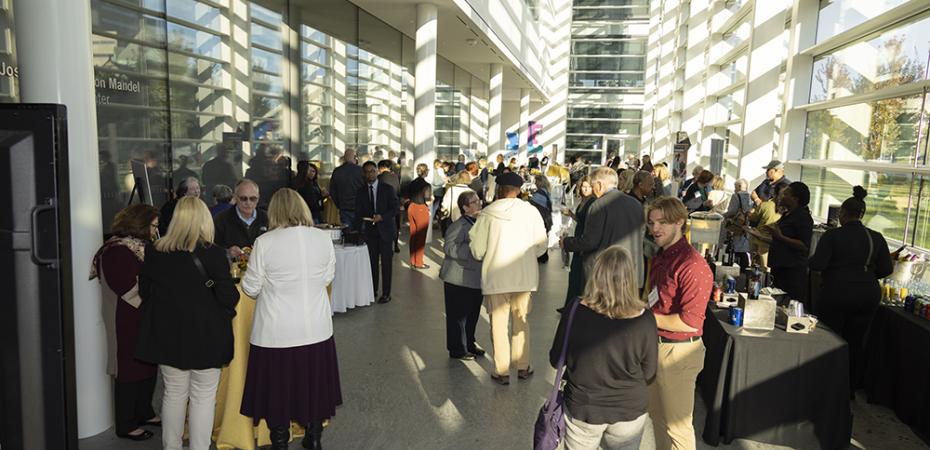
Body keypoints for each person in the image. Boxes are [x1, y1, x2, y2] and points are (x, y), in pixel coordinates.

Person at [240, 189, 341, 450]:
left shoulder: (265, 242)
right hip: (315, 327)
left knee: (277, 389)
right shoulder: (322, 238)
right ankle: (314, 437)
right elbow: (328, 277)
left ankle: (280, 441)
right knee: (314, 385)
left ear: (274, 211)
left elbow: (250, 288)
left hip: (276, 330)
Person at [135, 197, 239, 450]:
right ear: (205, 220)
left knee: (173, 394)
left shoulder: (154, 250)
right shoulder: (214, 254)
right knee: (203, 398)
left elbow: (145, 292)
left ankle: (171, 446)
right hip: (206, 335)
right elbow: (229, 297)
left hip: (167, 335)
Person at [549, 245, 658, 450]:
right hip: (629, 410)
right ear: (631, 278)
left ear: (595, 274)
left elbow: (556, 359)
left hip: (584, 407)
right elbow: (650, 373)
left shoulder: (575, 309)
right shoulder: (645, 319)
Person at [645, 196, 713, 450]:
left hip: (679, 353)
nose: (655, 229)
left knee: (678, 428)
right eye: (652, 223)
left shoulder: (693, 265)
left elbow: (691, 323)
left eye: (662, 222)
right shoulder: (662, 257)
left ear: (680, 223)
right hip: (656, 347)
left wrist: (646, 318)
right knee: (657, 418)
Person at [809, 186, 893, 392]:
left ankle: (827, 386)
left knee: (830, 339)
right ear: (862, 214)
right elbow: (886, 268)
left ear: (843, 213)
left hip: (837, 292)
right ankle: (849, 388)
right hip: (868, 295)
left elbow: (818, 264)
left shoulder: (833, 236)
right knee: (856, 341)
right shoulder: (876, 237)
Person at [90, 204, 161, 441]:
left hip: (143, 316)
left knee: (148, 365)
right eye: (153, 226)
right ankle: (126, 423)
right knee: (129, 370)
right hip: (125, 319)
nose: (155, 230)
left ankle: (144, 411)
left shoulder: (138, 246)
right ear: (139, 224)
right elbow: (130, 290)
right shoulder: (116, 251)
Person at [469, 172, 548, 385]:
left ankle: (501, 371)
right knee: (521, 322)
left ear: (500, 189)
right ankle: (522, 366)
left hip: (496, 278)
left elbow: (477, 251)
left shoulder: (487, 214)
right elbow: (541, 247)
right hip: (524, 279)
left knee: (498, 324)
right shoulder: (531, 212)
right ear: (519, 190)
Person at [561, 167, 645, 292]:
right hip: (631, 271)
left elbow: (590, 241)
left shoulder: (599, 205)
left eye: (593, 185)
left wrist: (566, 242)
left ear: (599, 185)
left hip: (605, 274)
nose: (593, 191)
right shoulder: (636, 204)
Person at [440, 191, 486, 360]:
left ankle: (470, 343)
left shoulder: (480, 222)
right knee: (458, 317)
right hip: (458, 278)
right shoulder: (458, 225)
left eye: (478, 200)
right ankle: (457, 349)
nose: (479, 203)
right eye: (474, 202)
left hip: (475, 279)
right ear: (465, 207)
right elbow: (448, 247)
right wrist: (472, 250)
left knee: (472, 315)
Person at [354, 161, 400, 304]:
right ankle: (372, 290)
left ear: (377, 172)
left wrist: (382, 217)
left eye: (372, 171)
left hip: (386, 231)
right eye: (367, 172)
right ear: (364, 174)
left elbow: (395, 208)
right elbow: (358, 212)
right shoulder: (361, 191)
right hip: (370, 232)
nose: (370, 174)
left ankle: (386, 293)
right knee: (372, 264)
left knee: (386, 264)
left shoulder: (387, 189)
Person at [765, 182, 814, 308]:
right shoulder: (787, 215)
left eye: (786, 194)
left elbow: (804, 245)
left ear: (795, 199)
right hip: (780, 268)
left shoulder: (803, 218)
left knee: (788, 307)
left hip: (792, 272)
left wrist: (781, 237)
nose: (781, 196)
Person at [562, 177, 596, 309]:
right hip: (579, 235)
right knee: (574, 273)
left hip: (583, 239)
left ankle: (574, 304)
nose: (585, 189)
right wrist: (570, 214)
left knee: (578, 273)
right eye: (583, 187)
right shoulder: (584, 201)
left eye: (588, 187)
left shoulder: (592, 202)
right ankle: (570, 303)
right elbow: (580, 220)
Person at [214, 179, 269, 257]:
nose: (248, 203)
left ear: (258, 198)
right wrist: (227, 252)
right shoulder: (220, 220)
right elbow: (213, 250)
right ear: (235, 197)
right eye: (243, 198)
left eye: (253, 199)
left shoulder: (267, 219)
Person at [746, 182, 786, 269]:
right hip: (772, 244)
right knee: (766, 270)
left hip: (760, 241)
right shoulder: (786, 211)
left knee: (756, 269)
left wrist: (749, 213)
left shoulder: (765, 205)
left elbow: (753, 218)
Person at [329, 148, 365, 226]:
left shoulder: (337, 171)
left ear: (344, 158)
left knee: (346, 232)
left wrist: (339, 204)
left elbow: (332, 191)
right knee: (360, 232)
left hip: (344, 207)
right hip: (359, 207)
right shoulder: (361, 171)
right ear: (355, 157)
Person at [406, 163, 432, 269]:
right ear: (425, 172)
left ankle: (412, 260)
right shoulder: (426, 185)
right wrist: (432, 199)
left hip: (411, 207)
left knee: (413, 235)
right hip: (421, 209)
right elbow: (428, 201)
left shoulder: (412, 183)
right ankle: (419, 262)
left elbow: (407, 196)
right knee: (421, 237)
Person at [723, 179, 753, 269]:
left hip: (737, 225)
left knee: (734, 248)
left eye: (735, 187)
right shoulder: (751, 196)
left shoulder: (736, 196)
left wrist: (723, 215)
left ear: (739, 187)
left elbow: (731, 211)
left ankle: (734, 267)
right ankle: (744, 267)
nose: (734, 189)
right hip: (747, 227)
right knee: (743, 250)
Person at [378, 159, 402, 252]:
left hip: (383, 206)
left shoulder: (379, 177)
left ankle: (384, 245)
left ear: (381, 168)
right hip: (395, 204)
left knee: (384, 225)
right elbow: (398, 190)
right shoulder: (395, 177)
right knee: (395, 225)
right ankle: (395, 245)